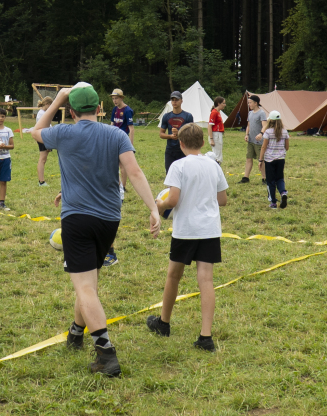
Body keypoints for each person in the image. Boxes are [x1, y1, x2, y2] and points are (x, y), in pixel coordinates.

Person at [36, 83, 160, 378]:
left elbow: (37, 130)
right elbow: (134, 172)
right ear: (99, 108)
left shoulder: (63, 132)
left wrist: (59, 99)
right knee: (89, 282)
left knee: (85, 286)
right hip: (108, 220)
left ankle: (106, 354)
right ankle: (76, 332)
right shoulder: (116, 134)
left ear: (71, 111)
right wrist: (153, 208)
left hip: (77, 219)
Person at [145, 123, 228, 352]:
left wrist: (159, 205)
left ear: (180, 144)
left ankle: (163, 323)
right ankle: (206, 337)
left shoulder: (178, 166)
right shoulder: (213, 165)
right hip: (209, 230)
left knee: (173, 276)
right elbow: (222, 200)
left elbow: (172, 200)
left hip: (187, 231)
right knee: (206, 281)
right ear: (202, 142)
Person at [104, 88, 136, 268]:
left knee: (123, 166)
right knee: (113, 165)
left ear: (122, 98)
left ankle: (122, 187)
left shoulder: (127, 110)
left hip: (123, 141)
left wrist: (130, 145)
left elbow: (131, 129)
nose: (114, 101)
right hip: (113, 140)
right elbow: (111, 125)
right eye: (113, 98)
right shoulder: (114, 110)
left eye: (116, 98)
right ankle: (117, 184)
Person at [259, 110, 290, 208]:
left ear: (270, 121)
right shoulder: (285, 132)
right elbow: (287, 147)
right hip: (281, 159)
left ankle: (273, 202)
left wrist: (260, 160)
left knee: (270, 181)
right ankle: (283, 192)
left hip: (269, 159)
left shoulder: (268, 132)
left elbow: (264, 147)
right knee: (280, 178)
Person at [159, 91, 194, 175]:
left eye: (177, 100)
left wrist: (180, 134)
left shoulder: (188, 116)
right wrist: (171, 136)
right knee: (170, 174)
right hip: (170, 150)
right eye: (173, 100)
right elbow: (161, 134)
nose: (174, 102)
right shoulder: (166, 116)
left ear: (181, 101)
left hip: (184, 149)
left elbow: (192, 134)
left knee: (185, 174)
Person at [241, 95, 266, 184]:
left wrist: (261, 134)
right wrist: (246, 134)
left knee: (261, 160)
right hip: (251, 140)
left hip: (259, 142)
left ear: (256, 103)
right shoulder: (250, 113)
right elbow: (248, 125)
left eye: (250, 102)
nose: (249, 104)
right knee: (249, 158)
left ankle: (264, 178)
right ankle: (246, 177)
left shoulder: (261, 113)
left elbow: (265, 125)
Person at [30, 96, 54, 187]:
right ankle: (41, 181)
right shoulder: (42, 114)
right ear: (47, 104)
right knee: (42, 159)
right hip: (42, 137)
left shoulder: (43, 113)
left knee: (44, 159)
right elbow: (45, 126)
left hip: (44, 136)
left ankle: (42, 180)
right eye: (50, 105)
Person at [208, 96, 227, 169]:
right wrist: (211, 139)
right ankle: (216, 169)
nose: (225, 105)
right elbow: (209, 126)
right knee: (217, 156)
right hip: (215, 134)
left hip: (218, 134)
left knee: (218, 154)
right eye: (223, 103)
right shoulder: (214, 112)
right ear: (218, 103)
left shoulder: (218, 112)